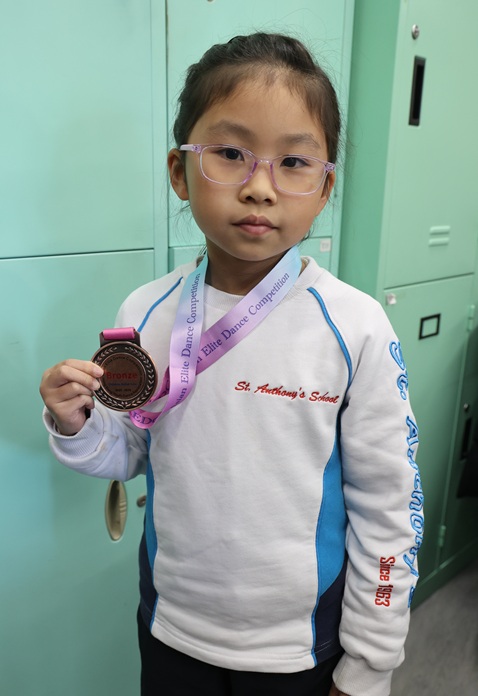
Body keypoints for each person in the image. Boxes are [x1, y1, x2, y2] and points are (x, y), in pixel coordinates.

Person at [40, 32, 422, 696]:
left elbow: (389, 507)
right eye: (230, 154)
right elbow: (132, 449)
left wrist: (368, 663)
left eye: (294, 162)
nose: (260, 188)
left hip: (300, 647)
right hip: (172, 627)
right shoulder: (146, 310)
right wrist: (76, 425)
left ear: (325, 187)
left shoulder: (355, 326)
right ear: (178, 171)